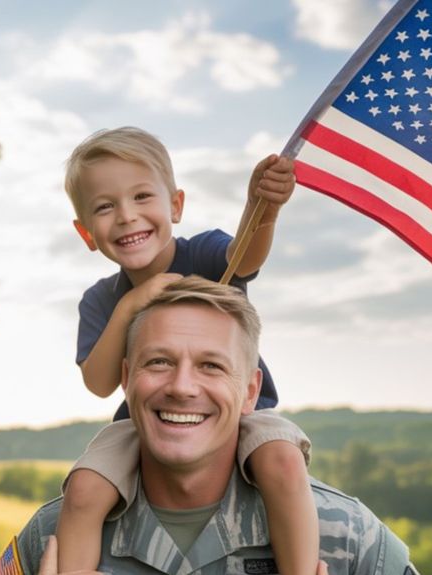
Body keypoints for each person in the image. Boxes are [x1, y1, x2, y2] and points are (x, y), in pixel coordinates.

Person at [0, 277, 414, 575]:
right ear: (126, 379)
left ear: (251, 391)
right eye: (159, 361)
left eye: (211, 366)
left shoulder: (348, 538)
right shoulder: (51, 539)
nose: (181, 387)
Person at [56, 128, 318, 575]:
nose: (125, 216)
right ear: (86, 233)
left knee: (282, 461)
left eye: (142, 197)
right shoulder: (101, 300)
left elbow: (247, 256)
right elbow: (100, 383)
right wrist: (133, 304)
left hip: (241, 414)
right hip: (145, 426)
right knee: (82, 490)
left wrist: (265, 209)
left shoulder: (202, 254)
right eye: (105, 206)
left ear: (175, 205)